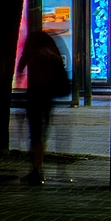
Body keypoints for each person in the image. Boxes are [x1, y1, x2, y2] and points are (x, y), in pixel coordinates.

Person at [19, 29, 70, 183]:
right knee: (41, 134)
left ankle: (36, 170)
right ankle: (37, 168)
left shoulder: (34, 54)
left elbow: (21, 66)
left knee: (35, 135)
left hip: (35, 97)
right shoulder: (52, 55)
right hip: (47, 99)